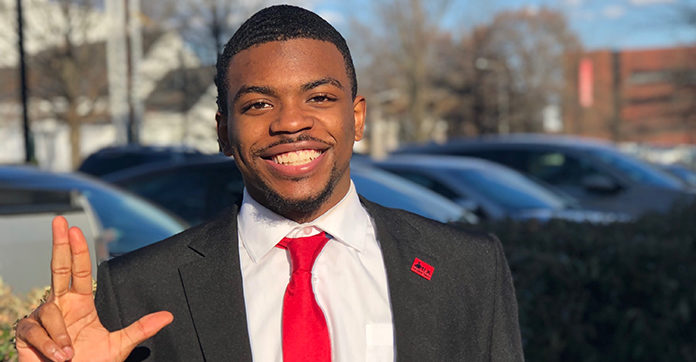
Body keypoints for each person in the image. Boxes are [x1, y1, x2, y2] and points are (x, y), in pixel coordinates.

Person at [14, 5, 523, 361]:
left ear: (358, 117)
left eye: (319, 98)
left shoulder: (467, 267)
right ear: (223, 131)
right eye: (258, 104)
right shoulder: (139, 289)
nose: (290, 123)